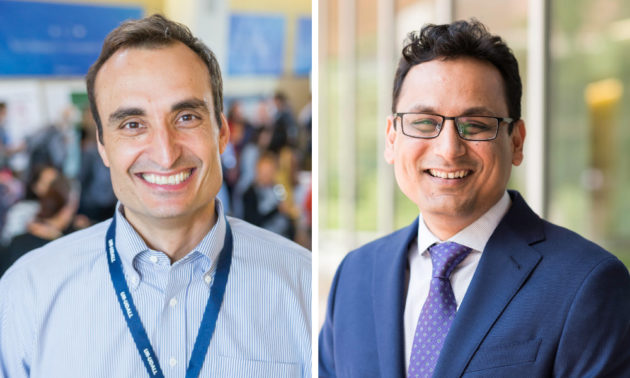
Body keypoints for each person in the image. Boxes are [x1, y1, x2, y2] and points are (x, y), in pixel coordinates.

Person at [0, 15, 311, 378]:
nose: (165, 154)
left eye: (186, 117)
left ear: (222, 132)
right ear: (102, 146)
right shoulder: (28, 293)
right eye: (133, 124)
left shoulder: (301, 285)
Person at [319, 20, 630, 377]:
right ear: (392, 139)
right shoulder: (354, 275)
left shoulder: (586, 283)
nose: (449, 150)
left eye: (477, 125)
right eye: (424, 123)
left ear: (516, 141)